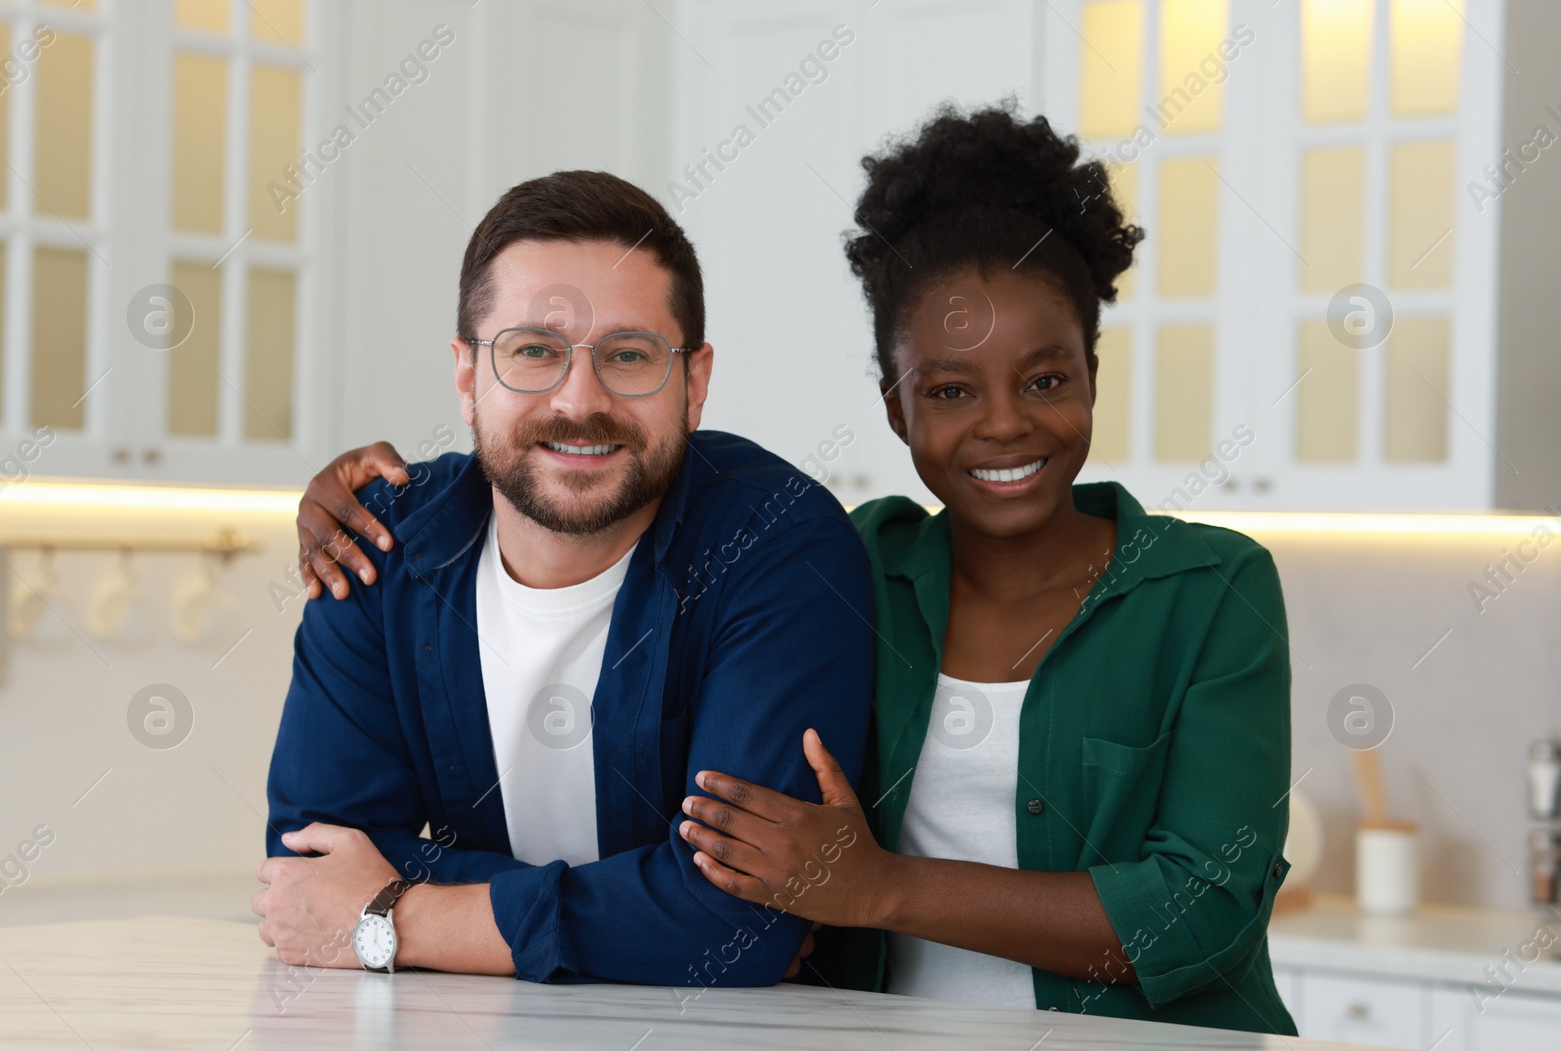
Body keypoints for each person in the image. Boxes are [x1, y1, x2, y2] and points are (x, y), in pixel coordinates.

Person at [295, 103, 1296, 1035]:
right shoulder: (842, 563)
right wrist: (363, 492)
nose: (1003, 422)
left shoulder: (1210, 590)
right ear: (896, 405)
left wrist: (878, 887)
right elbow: (690, 870)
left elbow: (1201, 909)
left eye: (1046, 378)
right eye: (950, 387)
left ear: (1090, 372)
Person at [252, 169, 874, 987]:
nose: (580, 400)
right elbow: (310, 869)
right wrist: (653, 915)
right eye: (534, 351)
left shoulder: (775, 542)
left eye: (629, 354)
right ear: (469, 376)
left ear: (694, 384)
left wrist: (394, 916)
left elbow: (739, 917)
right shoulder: (375, 545)